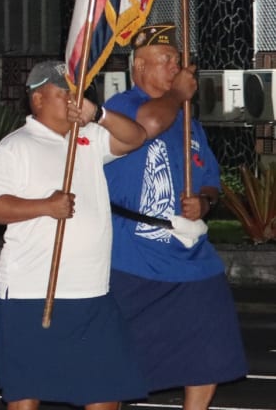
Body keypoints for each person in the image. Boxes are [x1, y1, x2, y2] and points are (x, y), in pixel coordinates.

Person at [0, 60, 150, 410]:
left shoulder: (89, 137)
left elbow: (136, 137)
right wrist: (45, 206)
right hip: (32, 289)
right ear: (38, 99)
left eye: (77, 92)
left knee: (105, 390)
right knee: (26, 391)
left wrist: (97, 114)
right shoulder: (14, 147)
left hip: (92, 289)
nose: (73, 99)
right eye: (64, 92)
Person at [103, 23, 248, 409]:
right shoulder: (120, 109)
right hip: (133, 254)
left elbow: (210, 181)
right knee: (117, 356)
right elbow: (148, 125)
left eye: (179, 61)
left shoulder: (190, 123)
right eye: (166, 60)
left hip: (189, 253)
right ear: (139, 69)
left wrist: (203, 200)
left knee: (211, 343)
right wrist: (179, 96)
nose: (177, 68)